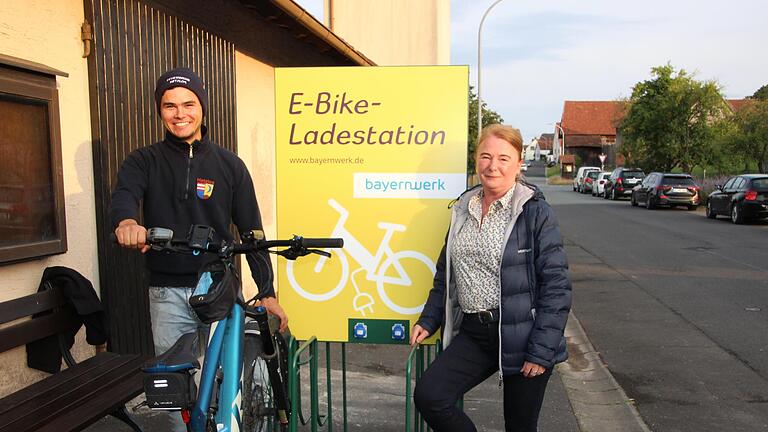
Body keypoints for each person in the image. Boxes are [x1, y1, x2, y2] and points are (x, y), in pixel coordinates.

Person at [110, 67, 287, 360]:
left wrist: (267, 292)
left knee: (225, 382)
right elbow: (125, 196)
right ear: (161, 111)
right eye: (170, 106)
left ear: (202, 107)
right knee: (174, 384)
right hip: (167, 292)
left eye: (188, 104)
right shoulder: (143, 161)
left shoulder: (230, 165)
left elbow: (252, 232)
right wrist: (127, 222)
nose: (180, 114)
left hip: (219, 286)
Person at [410, 124, 572, 432]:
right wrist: (429, 319)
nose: (493, 166)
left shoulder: (535, 213)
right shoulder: (463, 207)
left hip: (523, 335)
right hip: (475, 332)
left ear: (518, 163)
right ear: (476, 160)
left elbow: (556, 286)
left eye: (503, 158)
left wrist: (541, 350)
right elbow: (447, 271)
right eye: (485, 156)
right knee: (431, 396)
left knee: (520, 426)